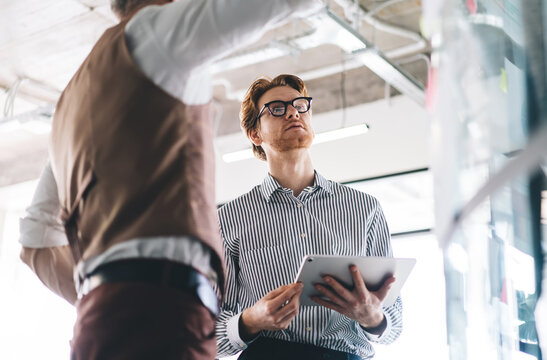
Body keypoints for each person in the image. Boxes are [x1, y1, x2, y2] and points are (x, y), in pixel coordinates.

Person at [18, 1, 323, 359]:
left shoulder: (70, 101)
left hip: (97, 328)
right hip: (164, 317)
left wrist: (106, 293)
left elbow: (35, 240)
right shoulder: (155, 32)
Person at [216, 74, 402, 360]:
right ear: (255, 134)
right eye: (276, 108)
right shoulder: (229, 219)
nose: (293, 112)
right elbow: (206, 333)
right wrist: (251, 320)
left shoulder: (364, 209)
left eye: (300, 105)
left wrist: (372, 317)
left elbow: (394, 324)